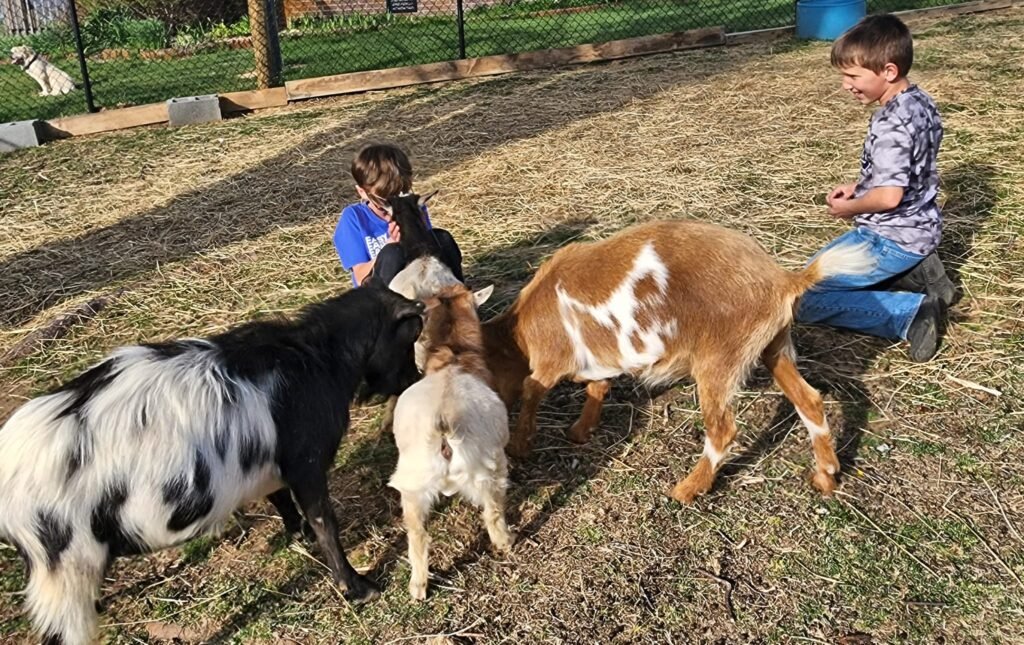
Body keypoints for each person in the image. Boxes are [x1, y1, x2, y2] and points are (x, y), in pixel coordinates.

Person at [797, 14, 956, 362]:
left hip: (887, 238)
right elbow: (908, 168)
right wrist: (860, 186)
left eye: (853, 76)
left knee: (801, 296)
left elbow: (888, 197)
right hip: (920, 228)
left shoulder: (890, 125)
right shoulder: (920, 102)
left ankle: (910, 313)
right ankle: (917, 272)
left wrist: (849, 208)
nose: (845, 85)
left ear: (888, 71)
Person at [333, 143, 463, 286]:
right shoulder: (354, 218)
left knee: (442, 238)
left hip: (419, 280)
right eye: (384, 199)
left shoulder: (413, 207)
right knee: (392, 253)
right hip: (382, 291)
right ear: (362, 192)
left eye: (401, 195)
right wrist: (390, 244)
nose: (395, 204)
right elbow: (360, 277)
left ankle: (459, 294)